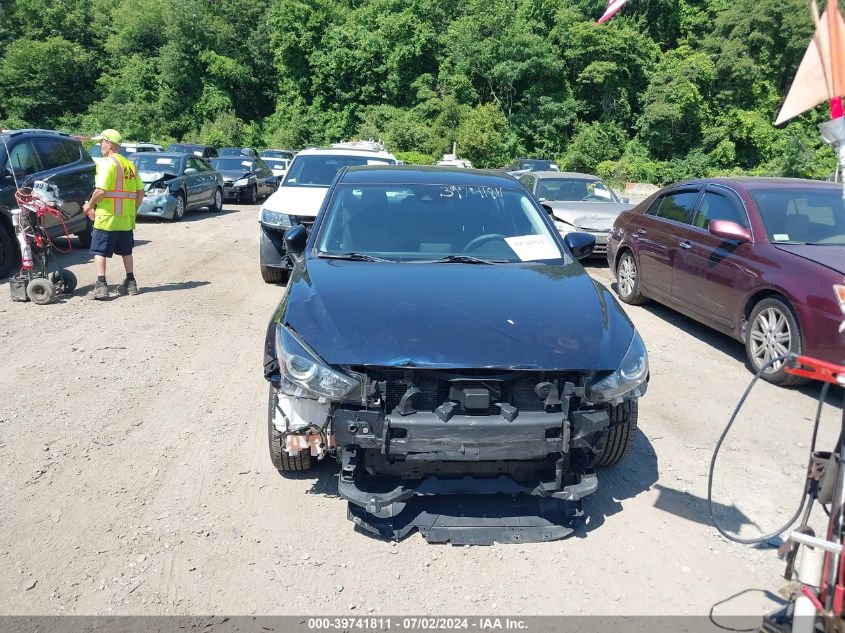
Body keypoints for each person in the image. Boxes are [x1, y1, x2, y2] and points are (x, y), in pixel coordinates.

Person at [82, 129, 144, 300]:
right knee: (126, 251)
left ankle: (101, 285)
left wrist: (89, 205)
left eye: (101, 142)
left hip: (107, 217)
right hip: (125, 219)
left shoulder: (106, 163)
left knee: (99, 251)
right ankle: (131, 282)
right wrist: (133, 210)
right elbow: (140, 192)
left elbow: (101, 190)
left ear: (109, 143)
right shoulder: (130, 165)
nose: (100, 145)